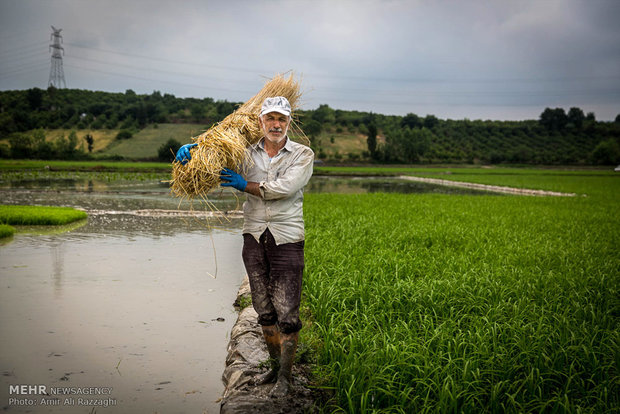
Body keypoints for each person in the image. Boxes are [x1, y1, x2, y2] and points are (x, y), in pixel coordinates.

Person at [175, 96, 314, 397]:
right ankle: (273, 369)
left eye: (282, 119)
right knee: (263, 309)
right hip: (254, 236)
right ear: (261, 122)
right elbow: (214, 164)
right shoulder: (246, 154)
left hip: (287, 238)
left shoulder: (302, 154)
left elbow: (283, 188)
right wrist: (192, 153)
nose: (276, 125)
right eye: (270, 119)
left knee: (287, 311)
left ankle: (286, 379)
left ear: (289, 122)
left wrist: (244, 185)